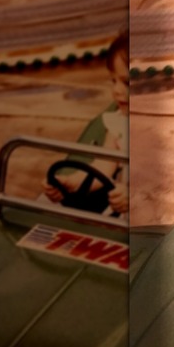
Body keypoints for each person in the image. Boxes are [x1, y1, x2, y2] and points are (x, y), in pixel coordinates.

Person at [42, 30, 129, 216]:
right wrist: (73, 181)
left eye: (126, 83)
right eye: (113, 81)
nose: (116, 90)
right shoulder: (118, 124)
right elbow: (103, 166)